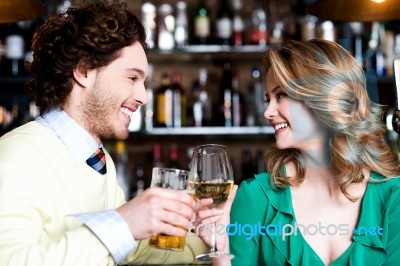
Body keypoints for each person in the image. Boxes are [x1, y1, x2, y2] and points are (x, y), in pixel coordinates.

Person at [0, 1, 236, 265]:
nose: (143, 97)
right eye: (132, 78)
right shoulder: (15, 156)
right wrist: (123, 223)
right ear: (84, 71)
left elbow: (130, 249)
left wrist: (207, 240)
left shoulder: (97, 160)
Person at [215, 39, 400, 266]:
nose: (268, 112)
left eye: (281, 95)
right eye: (267, 99)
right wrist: (220, 247)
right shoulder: (255, 197)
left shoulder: (392, 197)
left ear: (322, 97)